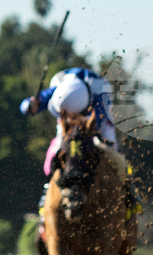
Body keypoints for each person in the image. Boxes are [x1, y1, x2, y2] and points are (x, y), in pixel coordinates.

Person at [21, 67, 140, 216]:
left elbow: (99, 123)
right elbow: (30, 103)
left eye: (70, 114)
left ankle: (129, 194)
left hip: (99, 124)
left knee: (113, 155)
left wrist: (92, 135)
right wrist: (30, 106)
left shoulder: (101, 94)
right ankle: (46, 193)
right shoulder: (62, 87)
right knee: (53, 153)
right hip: (69, 125)